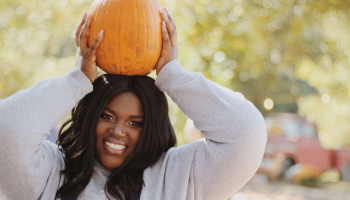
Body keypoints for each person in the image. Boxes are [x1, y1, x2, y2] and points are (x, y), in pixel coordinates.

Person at [0, 7, 267, 200]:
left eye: (135, 123)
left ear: (151, 128)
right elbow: (7, 129)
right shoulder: (49, 175)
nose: (118, 130)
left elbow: (245, 132)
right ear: (89, 117)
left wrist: (173, 75)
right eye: (106, 116)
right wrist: (77, 81)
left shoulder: (180, 178)